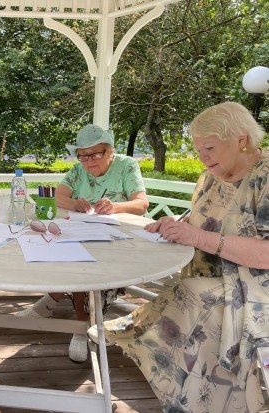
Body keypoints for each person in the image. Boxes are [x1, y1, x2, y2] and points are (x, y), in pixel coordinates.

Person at [88, 102, 268, 412]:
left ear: (242, 139)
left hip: (254, 287)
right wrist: (175, 226)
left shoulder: (263, 176)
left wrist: (196, 237)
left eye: (209, 147)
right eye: (198, 150)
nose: (203, 158)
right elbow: (202, 219)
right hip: (202, 274)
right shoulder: (212, 174)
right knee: (185, 296)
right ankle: (177, 385)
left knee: (192, 297)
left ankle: (199, 400)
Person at [17, 124, 149, 363]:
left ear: (110, 151)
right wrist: (73, 203)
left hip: (120, 240)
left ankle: (77, 326)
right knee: (58, 247)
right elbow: (57, 196)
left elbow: (141, 204)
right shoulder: (78, 171)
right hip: (85, 231)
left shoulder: (127, 165)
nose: (88, 161)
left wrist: (115, 206)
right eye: (83, 155)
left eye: (96, 154)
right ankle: (53, 306)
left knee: (80, 262)